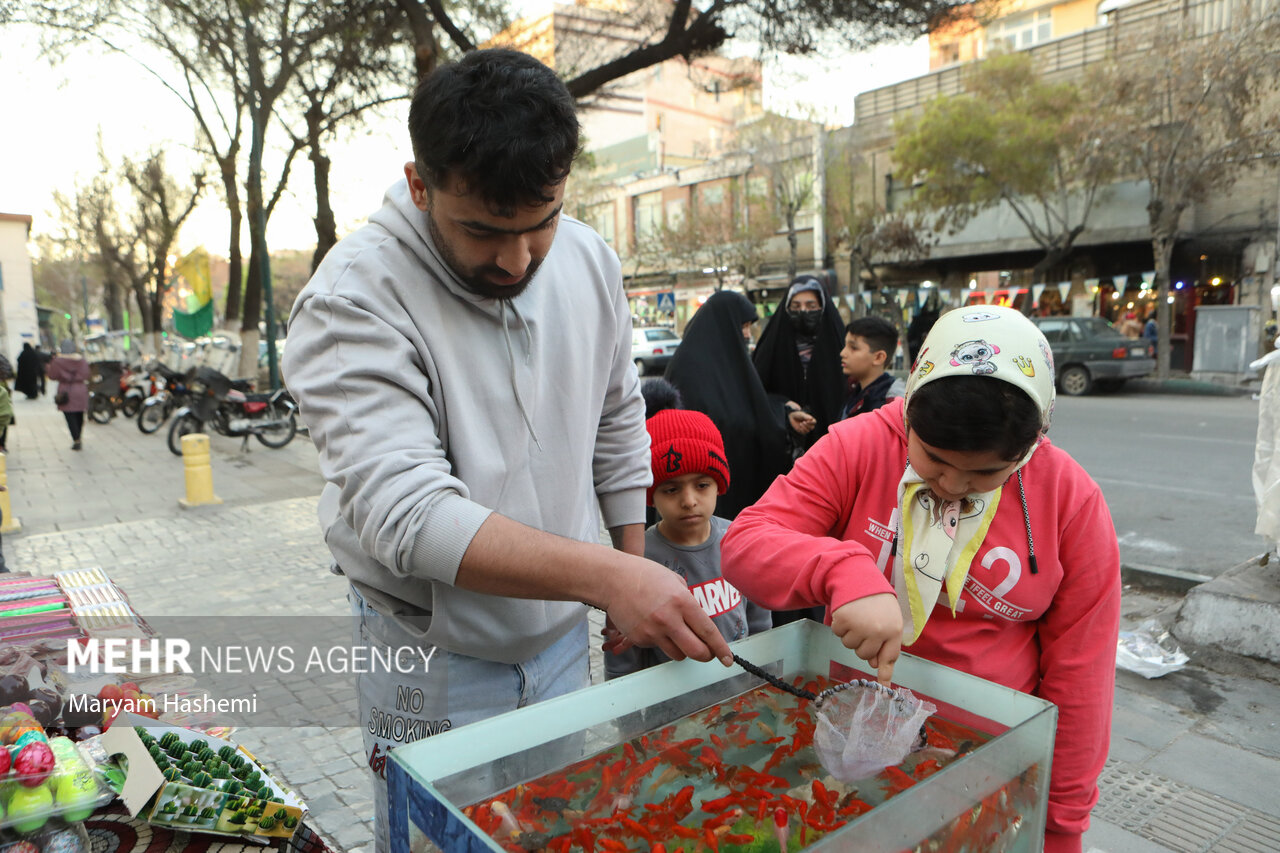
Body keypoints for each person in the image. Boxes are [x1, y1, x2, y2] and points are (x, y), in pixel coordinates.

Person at [280, 48, 732, 851]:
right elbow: (409, 516)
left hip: (562, 635)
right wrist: (613, 576)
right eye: (485, 230)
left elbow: (617, 420)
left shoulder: (589, 259)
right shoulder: (351, 299)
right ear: (420, 186)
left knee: (557, 828)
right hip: (428, 651)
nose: (518, 260)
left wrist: (628, 580)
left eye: (543, 221)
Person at [721, 305, 1121, 853]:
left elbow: (1081, 681)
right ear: (909, 412)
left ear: (1030, 443)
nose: (953, 485)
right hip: (856, 747)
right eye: (932, 458)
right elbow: (746, 544)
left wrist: (1059, 827)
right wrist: (843, 569)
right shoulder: (859, 444)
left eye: (985, 473)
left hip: (989, 761)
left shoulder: (1070, 501)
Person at [605, 408, 771, 678]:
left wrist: (766, 679)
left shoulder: (739, 540)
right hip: (672, 707)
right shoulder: (638, 558)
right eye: (671, 489)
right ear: (651, 495)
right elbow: (622, 651)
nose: (689, 500)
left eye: (702, 485)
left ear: (719, 484)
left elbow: (761, 620)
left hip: (740, 698)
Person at [663, 291, 790, 521]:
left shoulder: (730, 362)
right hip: (699, 495)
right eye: (743, 326)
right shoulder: (690, 367)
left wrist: (783, 410)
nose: (747, 334)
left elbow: (745, 403)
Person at [752, 276, 846, 458]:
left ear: (823, 307)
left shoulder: (838, 344)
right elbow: (756, 390)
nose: (803, 312)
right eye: (796, 307)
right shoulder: (772, 345)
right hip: (782, 445)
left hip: (832, 444)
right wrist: (783, 406)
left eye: (811, 306)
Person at [839, 316, 906, 421]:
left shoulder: (893, 403)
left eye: (853, 348)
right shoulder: (852, 388)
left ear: (879, 357)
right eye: (845, 345)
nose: (843, 353)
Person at [46, 341, 89, 451]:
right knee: (80, 414)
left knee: (69, 416)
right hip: (80, 389)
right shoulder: (82, 361)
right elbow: (86, 374)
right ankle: (79, 435)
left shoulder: (57, 362)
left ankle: (76, 439)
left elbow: (52, 375)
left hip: (65, 390)